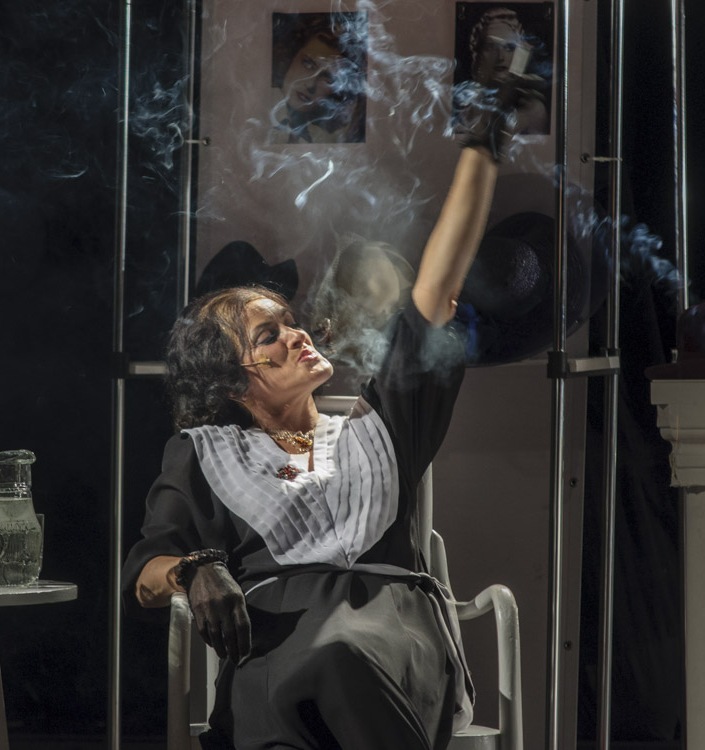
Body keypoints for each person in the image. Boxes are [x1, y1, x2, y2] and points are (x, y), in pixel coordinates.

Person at [122, 74, 528, 750]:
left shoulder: (382, 427)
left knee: (340, 654)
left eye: (291, 322)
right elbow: (144, 572)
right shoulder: (202, 454)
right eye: (269, 336)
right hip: (273, 644)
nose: (297, 335)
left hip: (395, 639)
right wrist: (194, 570)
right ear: (233, 380)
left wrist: (482, 145)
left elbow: (436, 291)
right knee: (311, 671)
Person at [269, 15, 366, 144]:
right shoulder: (258, 110)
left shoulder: (321, 138)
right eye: (308, 64)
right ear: (291, 57)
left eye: (328, 78)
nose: (311, 85)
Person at [465, 6, 549, 136]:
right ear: (478, 54)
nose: (501, 57)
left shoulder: (533, 111)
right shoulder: (465, 107)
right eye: (491, 47)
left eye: (509, 47)